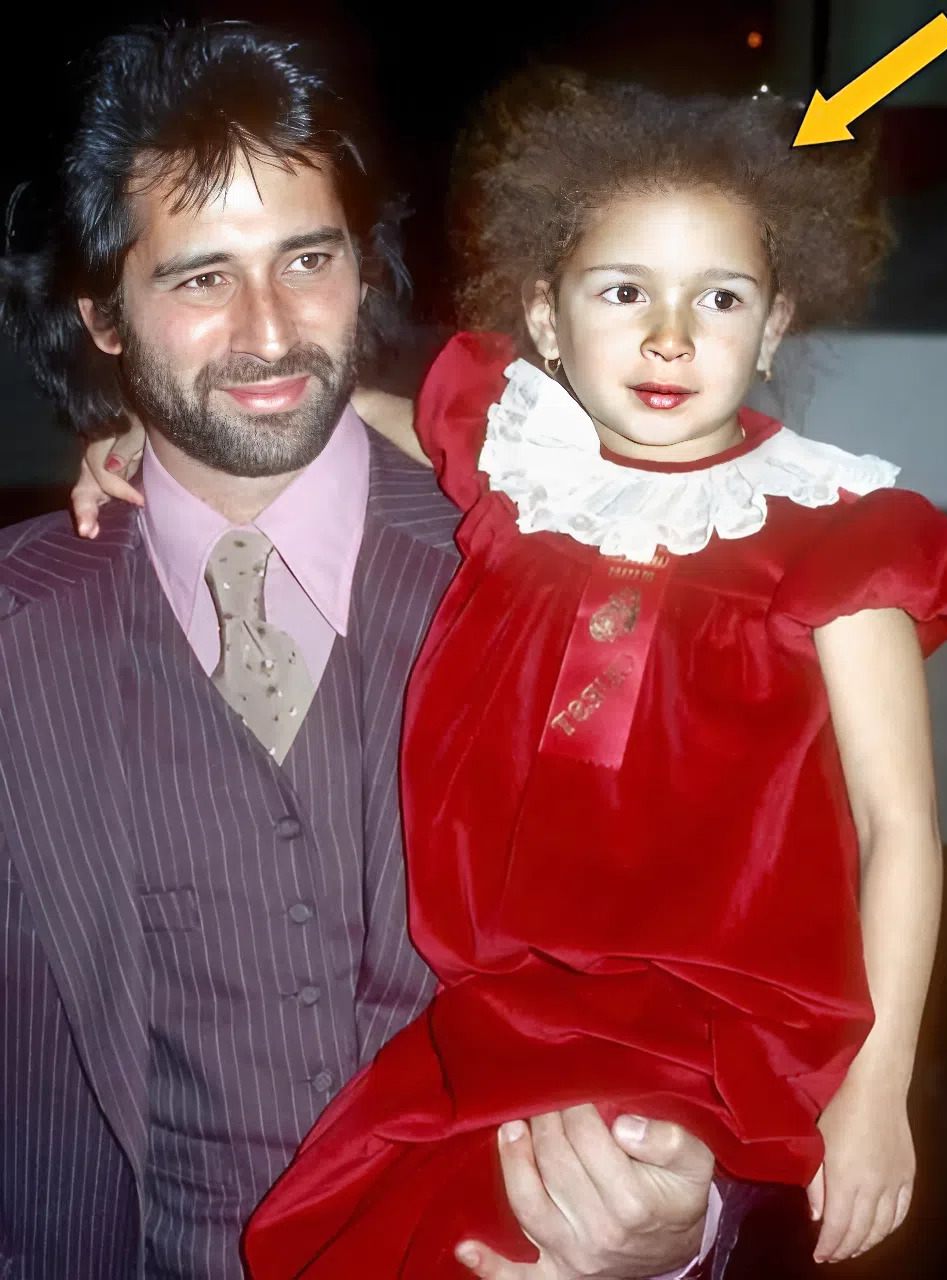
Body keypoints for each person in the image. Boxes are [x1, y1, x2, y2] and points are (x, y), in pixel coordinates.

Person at [237, 74, 947, 1279]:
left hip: (705, 1021)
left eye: (720, 297)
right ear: (545, 316)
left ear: (775, 324)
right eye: (624, 290)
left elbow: (897, 825)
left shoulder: (837, 531)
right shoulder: (520, 465)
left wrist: (875, 1088)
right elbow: (350, 412)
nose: (670, 335)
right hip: (504, 1003)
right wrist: (143, 444)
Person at [0, 27, 727, 1280]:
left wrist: (676, 1229)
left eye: (307, 259)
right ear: (103, 318)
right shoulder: (18, 642)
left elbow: (731, 947)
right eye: (200, 278)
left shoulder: (565, 575)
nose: (271, 330)